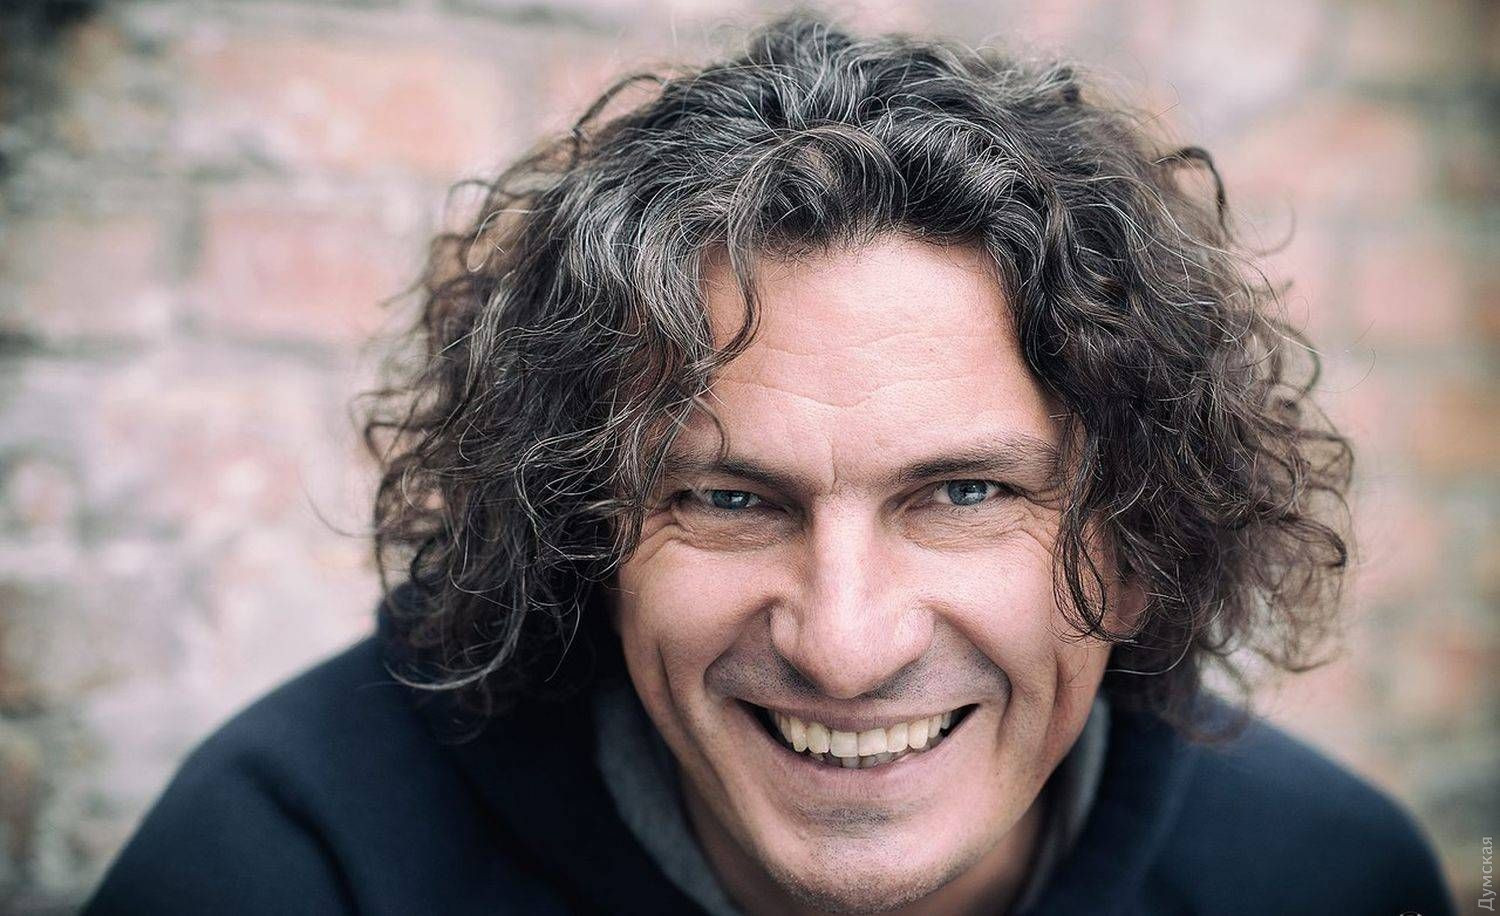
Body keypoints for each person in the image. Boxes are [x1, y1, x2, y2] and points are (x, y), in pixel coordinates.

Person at [84, 14, 1455, 916]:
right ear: (583, 539)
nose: (845, 647)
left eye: (964, 494)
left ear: (1142, 536)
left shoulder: (1327, 880)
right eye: (728, 501)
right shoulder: (284, 865)